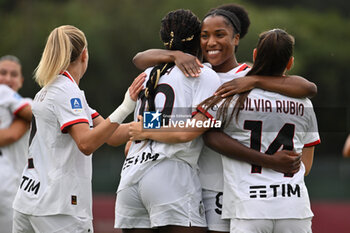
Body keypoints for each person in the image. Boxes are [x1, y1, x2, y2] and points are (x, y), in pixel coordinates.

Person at [130, 4, 316, 233]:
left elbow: (306, 87)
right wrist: (174, 54)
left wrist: (255, 80)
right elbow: (140, 60)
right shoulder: (195, 72)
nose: (211, 42)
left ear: (236, 38)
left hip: (230, 189)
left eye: (220, 35)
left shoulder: (247, 77)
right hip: (194, 183)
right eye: (204, 36)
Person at [12, 25, 146, 233]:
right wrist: (126, 106)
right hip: (58, 207)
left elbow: (111, 135)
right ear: (84, 54)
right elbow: (86, 143)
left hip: (29, 201)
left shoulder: (54, 89)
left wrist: (151, 124)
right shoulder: (67, 91)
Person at [200, 28, 320, 233]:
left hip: (249, 208)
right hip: (294, 208)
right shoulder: (304, 103)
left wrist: (147, 126)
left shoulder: (232, 95)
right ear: (290, 62)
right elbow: (305, 167)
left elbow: (208, 134)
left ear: (255, 55)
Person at [114, 9, 223, 233]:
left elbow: (154, 122)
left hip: (130, 177)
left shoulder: (149, 74)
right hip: (172, 176)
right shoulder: (203, 75)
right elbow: (188, 132)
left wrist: (146, 131)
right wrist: (147, 131)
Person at [0, 55, 32, 233]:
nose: (7, 79)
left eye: (13, 74)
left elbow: (12, 135)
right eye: (2, 73)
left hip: (16, 185)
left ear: (21, 81)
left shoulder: (29, 103)